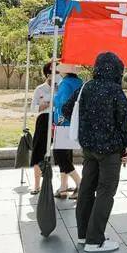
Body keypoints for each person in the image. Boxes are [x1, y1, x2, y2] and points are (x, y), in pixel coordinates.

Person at [62, 52, 127, 253]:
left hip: (88, 149)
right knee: (105, 192)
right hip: (110, 151)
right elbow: (126, 124)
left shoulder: (85, 87)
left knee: (86, 188)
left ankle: (83, 235)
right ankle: (95, 240)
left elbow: (67, 110)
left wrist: (88, 124)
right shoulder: (115, 91)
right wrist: (125, 145)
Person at [52, 62, 83, 200]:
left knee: (59, 155)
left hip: (63, 122)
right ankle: (63, 186)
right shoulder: (79, 82)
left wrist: (54, 98)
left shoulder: (65, 84)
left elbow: (62, 102)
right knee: (66, 154)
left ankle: (79, 182)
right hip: (74, 123)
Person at [29, 62, 54, 195]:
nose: (56, 75)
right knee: (38, 151)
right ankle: (37, 185)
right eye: (53, 72)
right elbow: (32, 108)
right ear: (47, 74)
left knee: (62, 152)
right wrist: (41, 106)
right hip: (43, 121)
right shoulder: (40, 89)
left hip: (57, 121)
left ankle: (64, 185)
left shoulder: (61, 88)